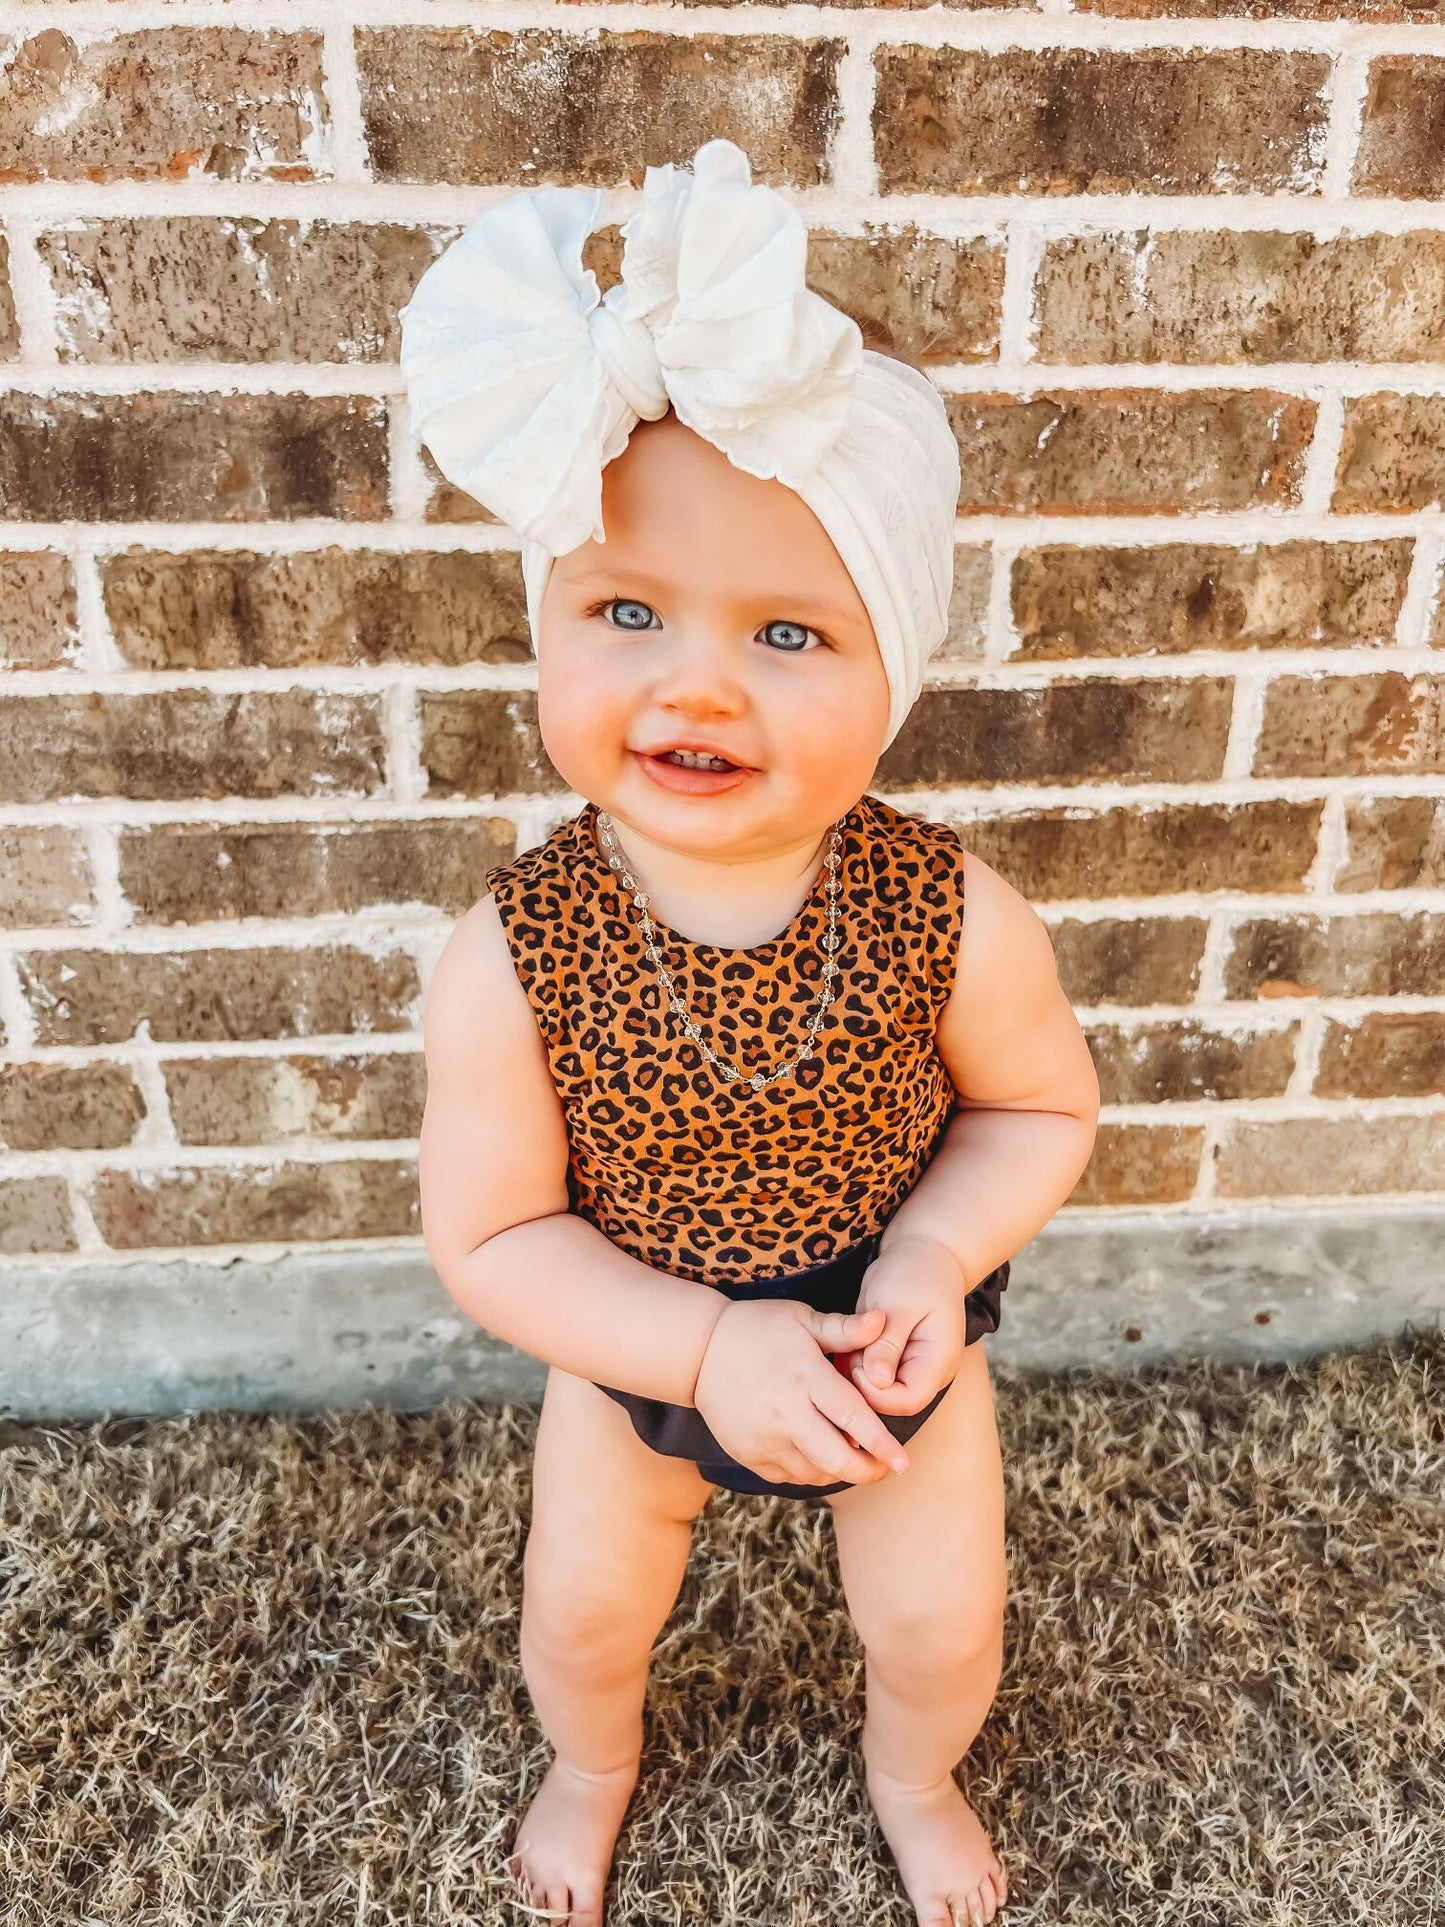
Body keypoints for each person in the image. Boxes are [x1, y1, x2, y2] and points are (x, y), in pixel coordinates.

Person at [406, 139, 1100, 1927]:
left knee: (941, 1615)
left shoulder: (948, 913)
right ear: (547, 630)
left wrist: (934, 1259)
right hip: (640, 1326)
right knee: (582, 1603)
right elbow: (493, 1233)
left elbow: (1035, 1107)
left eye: (787, 631)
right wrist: (699, 1350)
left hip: (885, 1326)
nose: (693, 681)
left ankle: (911, 1775)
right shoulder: (515, 949)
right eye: (626, 612)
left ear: (897, 672)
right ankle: (593, 1766)